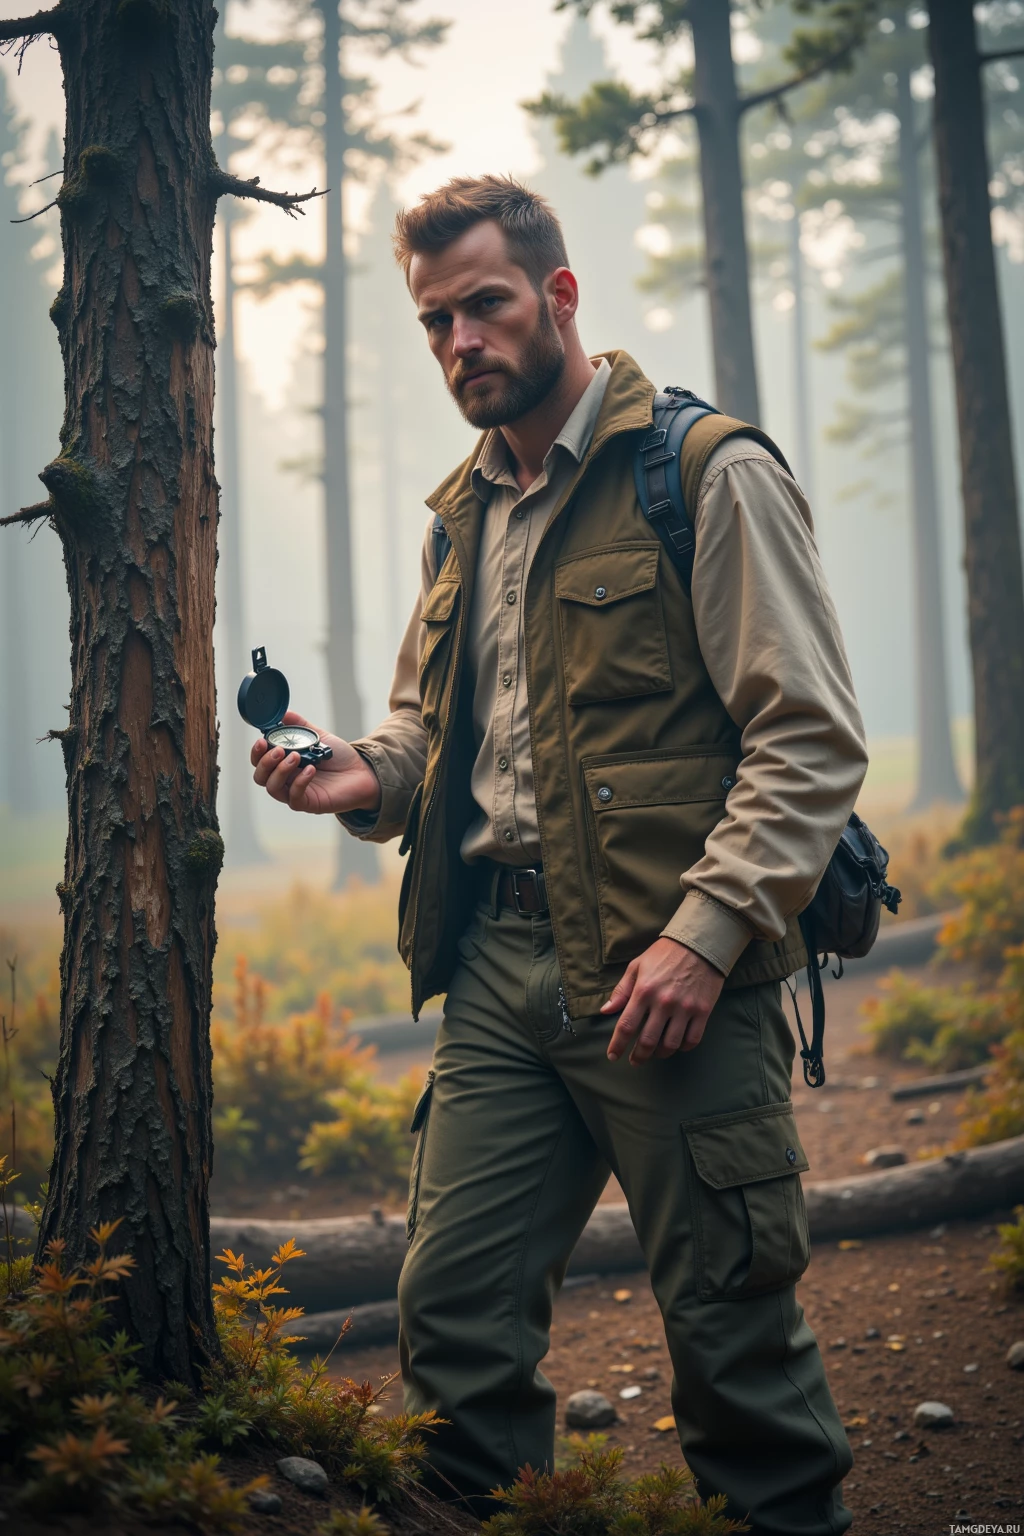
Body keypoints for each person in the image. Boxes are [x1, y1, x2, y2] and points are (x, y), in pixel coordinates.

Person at [251, 175, 868, 1535]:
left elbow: (810, 739)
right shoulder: (461, 514)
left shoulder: (702, 473)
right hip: (500, 970)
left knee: (736, 1345)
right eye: (435, 321)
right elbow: (432, 727)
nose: (461, 341)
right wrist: (366, 774)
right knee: (452, 1322)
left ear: (561, 295)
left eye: (485, 305)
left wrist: (703, 940)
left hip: (673, 976)